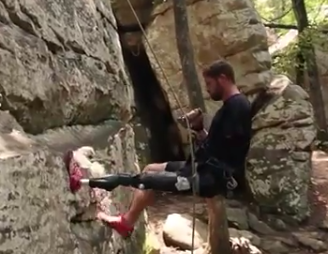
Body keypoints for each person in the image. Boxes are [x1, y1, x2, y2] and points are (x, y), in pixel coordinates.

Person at [64, 60, 253, 238]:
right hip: (202, 168)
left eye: (210, 84)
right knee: (150, 169)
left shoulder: (237, 107)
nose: (208, 89)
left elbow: (224, 151)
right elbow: (220, 144)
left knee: (143, 180)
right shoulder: (232, 106)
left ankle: (84, 183)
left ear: (223, 78)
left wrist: (202, 147)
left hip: (209, 177)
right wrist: (198, 130)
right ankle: (127, 221)